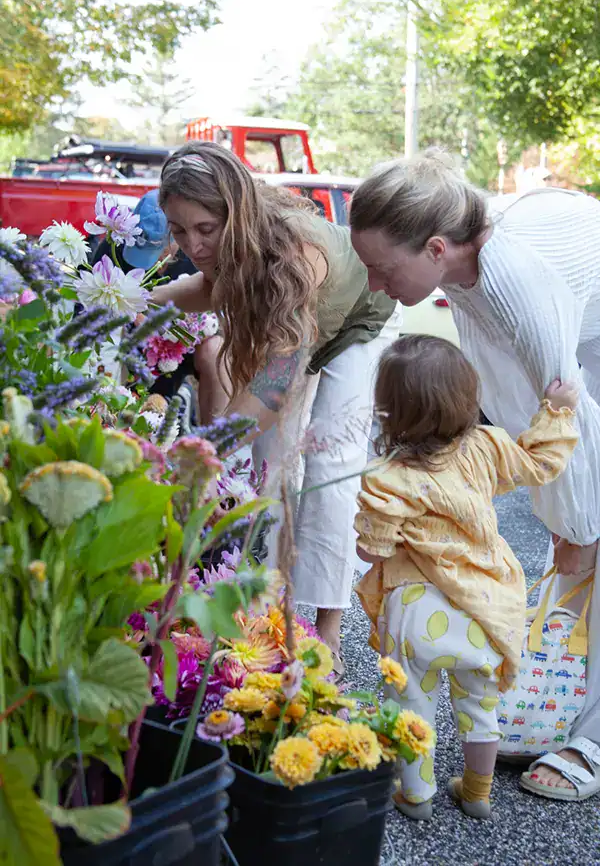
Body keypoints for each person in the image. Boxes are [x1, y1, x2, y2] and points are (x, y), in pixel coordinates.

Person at [349, 150, 600, 800]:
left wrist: (578, 527)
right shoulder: (459, 273)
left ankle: (591, 741)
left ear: (435, 248)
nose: (374, 284)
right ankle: (557, 711)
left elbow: (563, 402)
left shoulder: (514, 278)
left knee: (591, 549)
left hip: (583, 371)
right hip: (575, 375)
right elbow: (514, 399)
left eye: (382, 268)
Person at [151, 140, 402, 673]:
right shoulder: (223, 247)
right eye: (179, 230)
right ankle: (267, 608)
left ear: (235, 213)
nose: (192, 244)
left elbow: (274, 384)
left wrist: (206, 451)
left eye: (205, 229)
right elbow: (207, 288)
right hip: (296, 331)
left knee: (330, 463)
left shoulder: (292, 251)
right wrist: (137, 301)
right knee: (267, 464)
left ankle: (328, 628)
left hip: (358, 315)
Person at [355, 334, 578, 820]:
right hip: (481, 605)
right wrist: (557, 412)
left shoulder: (387, 476)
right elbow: (540, 463)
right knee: (480, 707)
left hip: (415, 610)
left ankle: (416, 795)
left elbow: (371, 550)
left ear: (389, 409)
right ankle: (477, 792)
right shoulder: (487, 447)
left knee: (411, 705)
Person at [91, 189, 226, 424]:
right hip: (129, 343)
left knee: (216, 353)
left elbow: (222, 311)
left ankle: (210, 436)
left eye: (160, 251)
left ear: (178, 236)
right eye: (139, 248)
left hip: (184, 343)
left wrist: (192, 327)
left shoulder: (199, 254)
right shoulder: (114, 248)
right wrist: (130, 315)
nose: (152, 261)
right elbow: (88, 308)